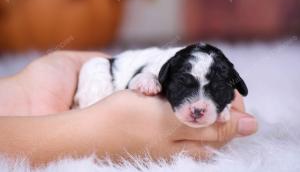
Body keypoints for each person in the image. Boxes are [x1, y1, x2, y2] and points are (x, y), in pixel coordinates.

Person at [0, 51, 257, 166]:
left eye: (214, 92)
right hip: (105, 73)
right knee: (97, 71)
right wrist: (84, 131)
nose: (199, 107)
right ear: (167, 74)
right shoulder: (161, 68)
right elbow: (140, 81)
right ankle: (83, 111)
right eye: (184, 87)